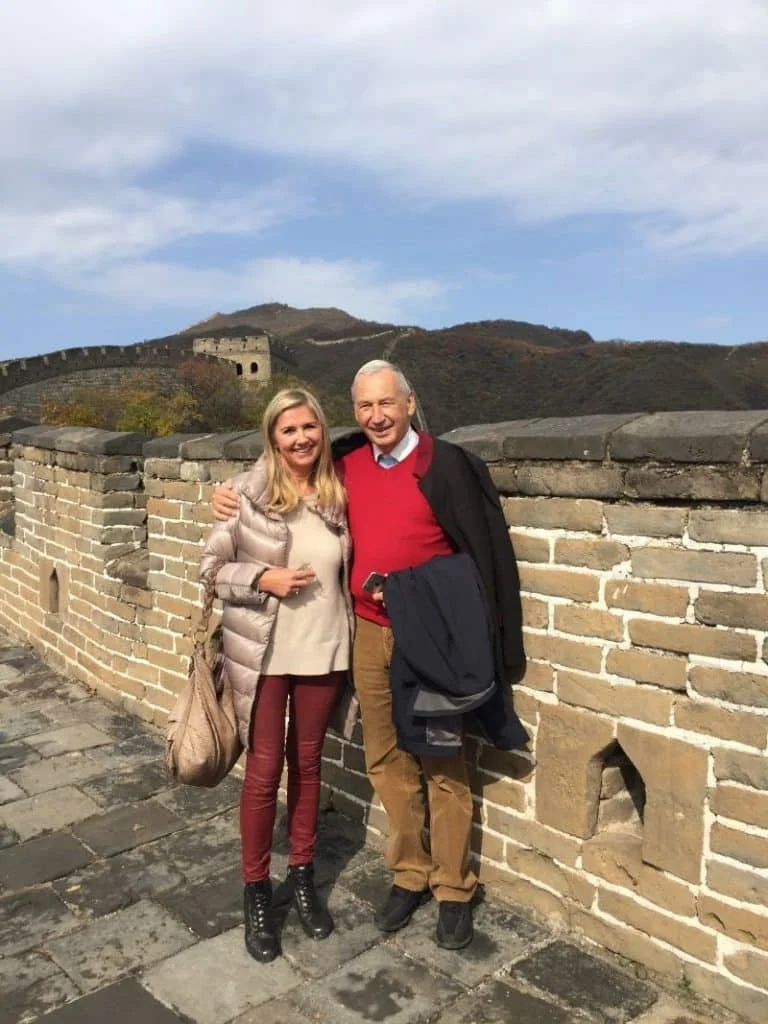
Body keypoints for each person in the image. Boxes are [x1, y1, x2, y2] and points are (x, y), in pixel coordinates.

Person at [211, 360, 527, 951]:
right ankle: (409, 873)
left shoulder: (446, 466)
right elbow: (278, 476)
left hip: (430, 633)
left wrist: (491, 639)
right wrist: (226, 494)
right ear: (353, 414)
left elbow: (481, 556)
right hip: (366, 634)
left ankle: (454, 887)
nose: (376, 416)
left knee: (443, 760)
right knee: (384, 755)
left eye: (387, 403)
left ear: (410, 402)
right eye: (364, 407)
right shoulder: (345, 465)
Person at [199, 387, 353, 964]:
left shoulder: (340, 494)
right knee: (264, 773)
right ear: (272, 437)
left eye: (310, 427)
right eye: (288, 430)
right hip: (262, 654)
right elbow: (210, 570)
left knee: (307, 765)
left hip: (325, 648)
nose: (301, 439)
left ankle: (305, 875)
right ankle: (258, 890)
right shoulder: (242, 495)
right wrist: (264, 577)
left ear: (323, 430)